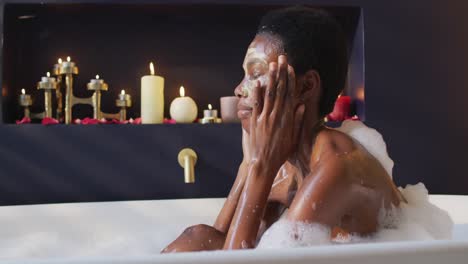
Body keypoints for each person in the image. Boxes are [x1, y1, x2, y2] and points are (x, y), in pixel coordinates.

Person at [162, 6, 404, 252]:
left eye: (256, 74)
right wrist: (248, 166)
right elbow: (220, 240)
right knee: (198, 237)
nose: (238, 89)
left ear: (307, 86)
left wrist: (260, 167)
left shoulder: (337, 168)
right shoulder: (286, 163)